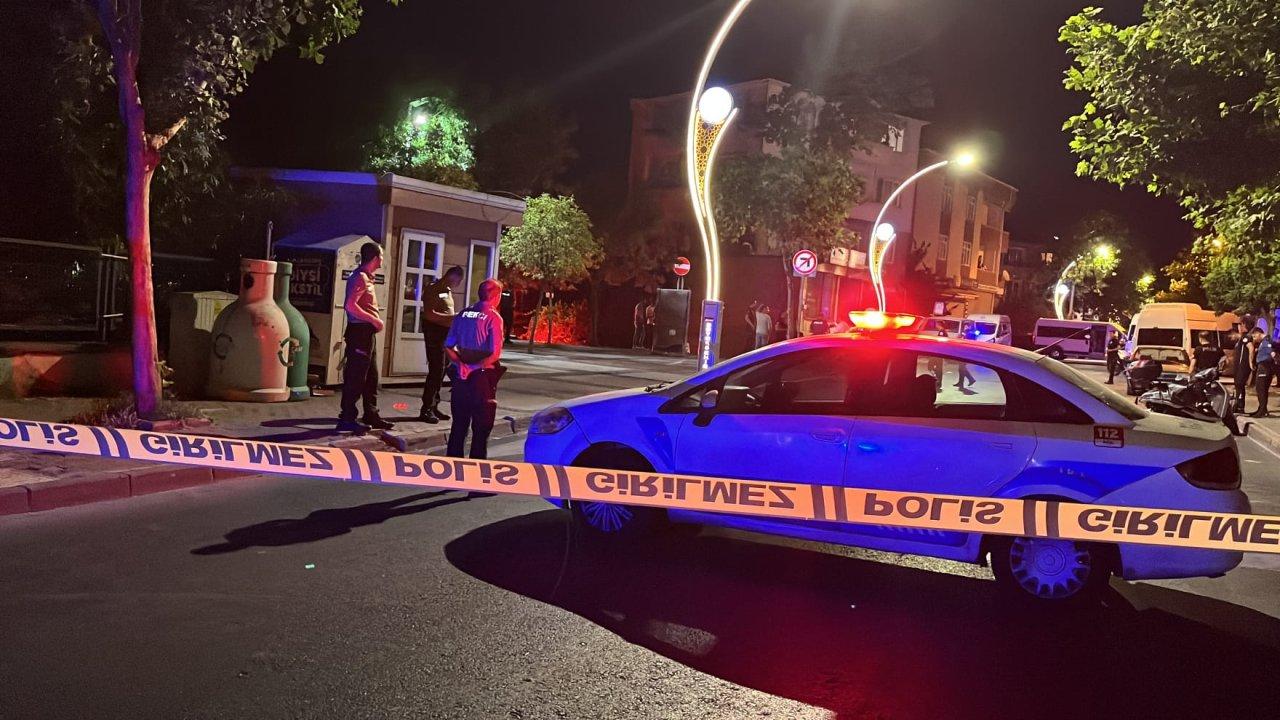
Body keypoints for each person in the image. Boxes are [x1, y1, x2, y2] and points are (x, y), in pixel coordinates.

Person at [445, 279, 506, 459]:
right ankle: (476, 469)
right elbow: (495, 353)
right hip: (482, 379)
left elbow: (448, 346)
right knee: (481, 429)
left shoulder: (463, 314)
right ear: (496, 296)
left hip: (461, 377)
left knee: (459, 426)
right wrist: (475, 367)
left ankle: (453, 466)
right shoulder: (494, 317)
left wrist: (461, 365)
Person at [337, 242, 393, 433]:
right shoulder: (359, 278)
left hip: (367, 333)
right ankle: (347, 418)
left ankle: (371, 413)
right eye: (381, 256)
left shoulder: (367, 277)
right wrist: (374, 320)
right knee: (356, 376)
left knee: (371, 376)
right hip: (359, 333)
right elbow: (350, 305)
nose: (382, 260)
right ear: (376, 258)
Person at [418, 266, 464, 424]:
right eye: (458, 280)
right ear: (453, 277)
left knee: (443, 369)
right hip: (434, 334)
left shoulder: (447, 291)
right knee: (436, 370)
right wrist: (452, 318)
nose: (458, 284)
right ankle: (426, 408)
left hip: (445, 335)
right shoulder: (434, 288)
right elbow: (429, 314)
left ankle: (434, 405)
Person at [1250, 327, 1273, 418]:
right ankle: (1262, 409)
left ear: (1258, 333)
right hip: (1263, 366)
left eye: (1254, 336)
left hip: (1264, 367)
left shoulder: (1267, 341)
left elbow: (1270, 353)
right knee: (1261, 389)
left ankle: (1262, 411)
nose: (1254, 339)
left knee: (1261, 389)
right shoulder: (1264, 342)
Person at [1233, 316, 1255, 413]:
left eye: (1239, 324)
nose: (1238, 327)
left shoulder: (1246, 337)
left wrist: (1250, 362)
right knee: (1238, 385)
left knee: (1240, 384)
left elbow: (1251, 348)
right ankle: (1238, 404)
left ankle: (1240, 406)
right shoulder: (1241, 338)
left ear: (1243, 325)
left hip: (1242, 366)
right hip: (1238, 367)